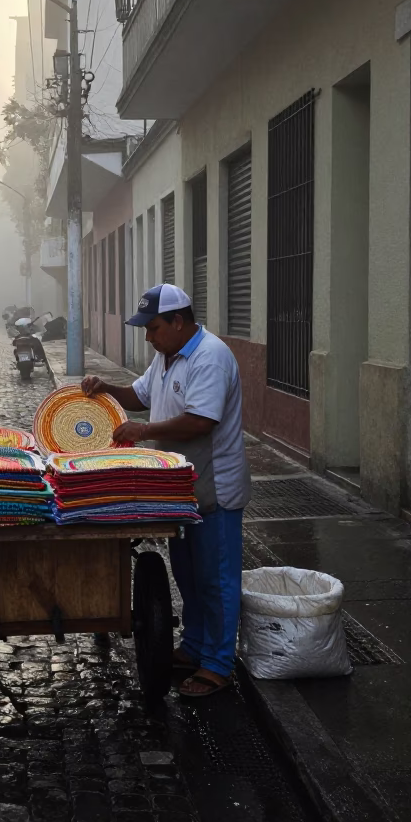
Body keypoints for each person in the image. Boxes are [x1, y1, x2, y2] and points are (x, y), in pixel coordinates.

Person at [81, 283, 250, 696]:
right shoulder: (167, 357)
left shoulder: (209, 356)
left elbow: (200, 422)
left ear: (179, 322)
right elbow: (138, 395)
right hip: (179, 487)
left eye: (154, 327)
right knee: (189, 577)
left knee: (217, 580)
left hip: (216, 488)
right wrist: (106, 389)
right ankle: (194, 647)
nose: (148, 336)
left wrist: (145, 431)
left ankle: (217, 664)